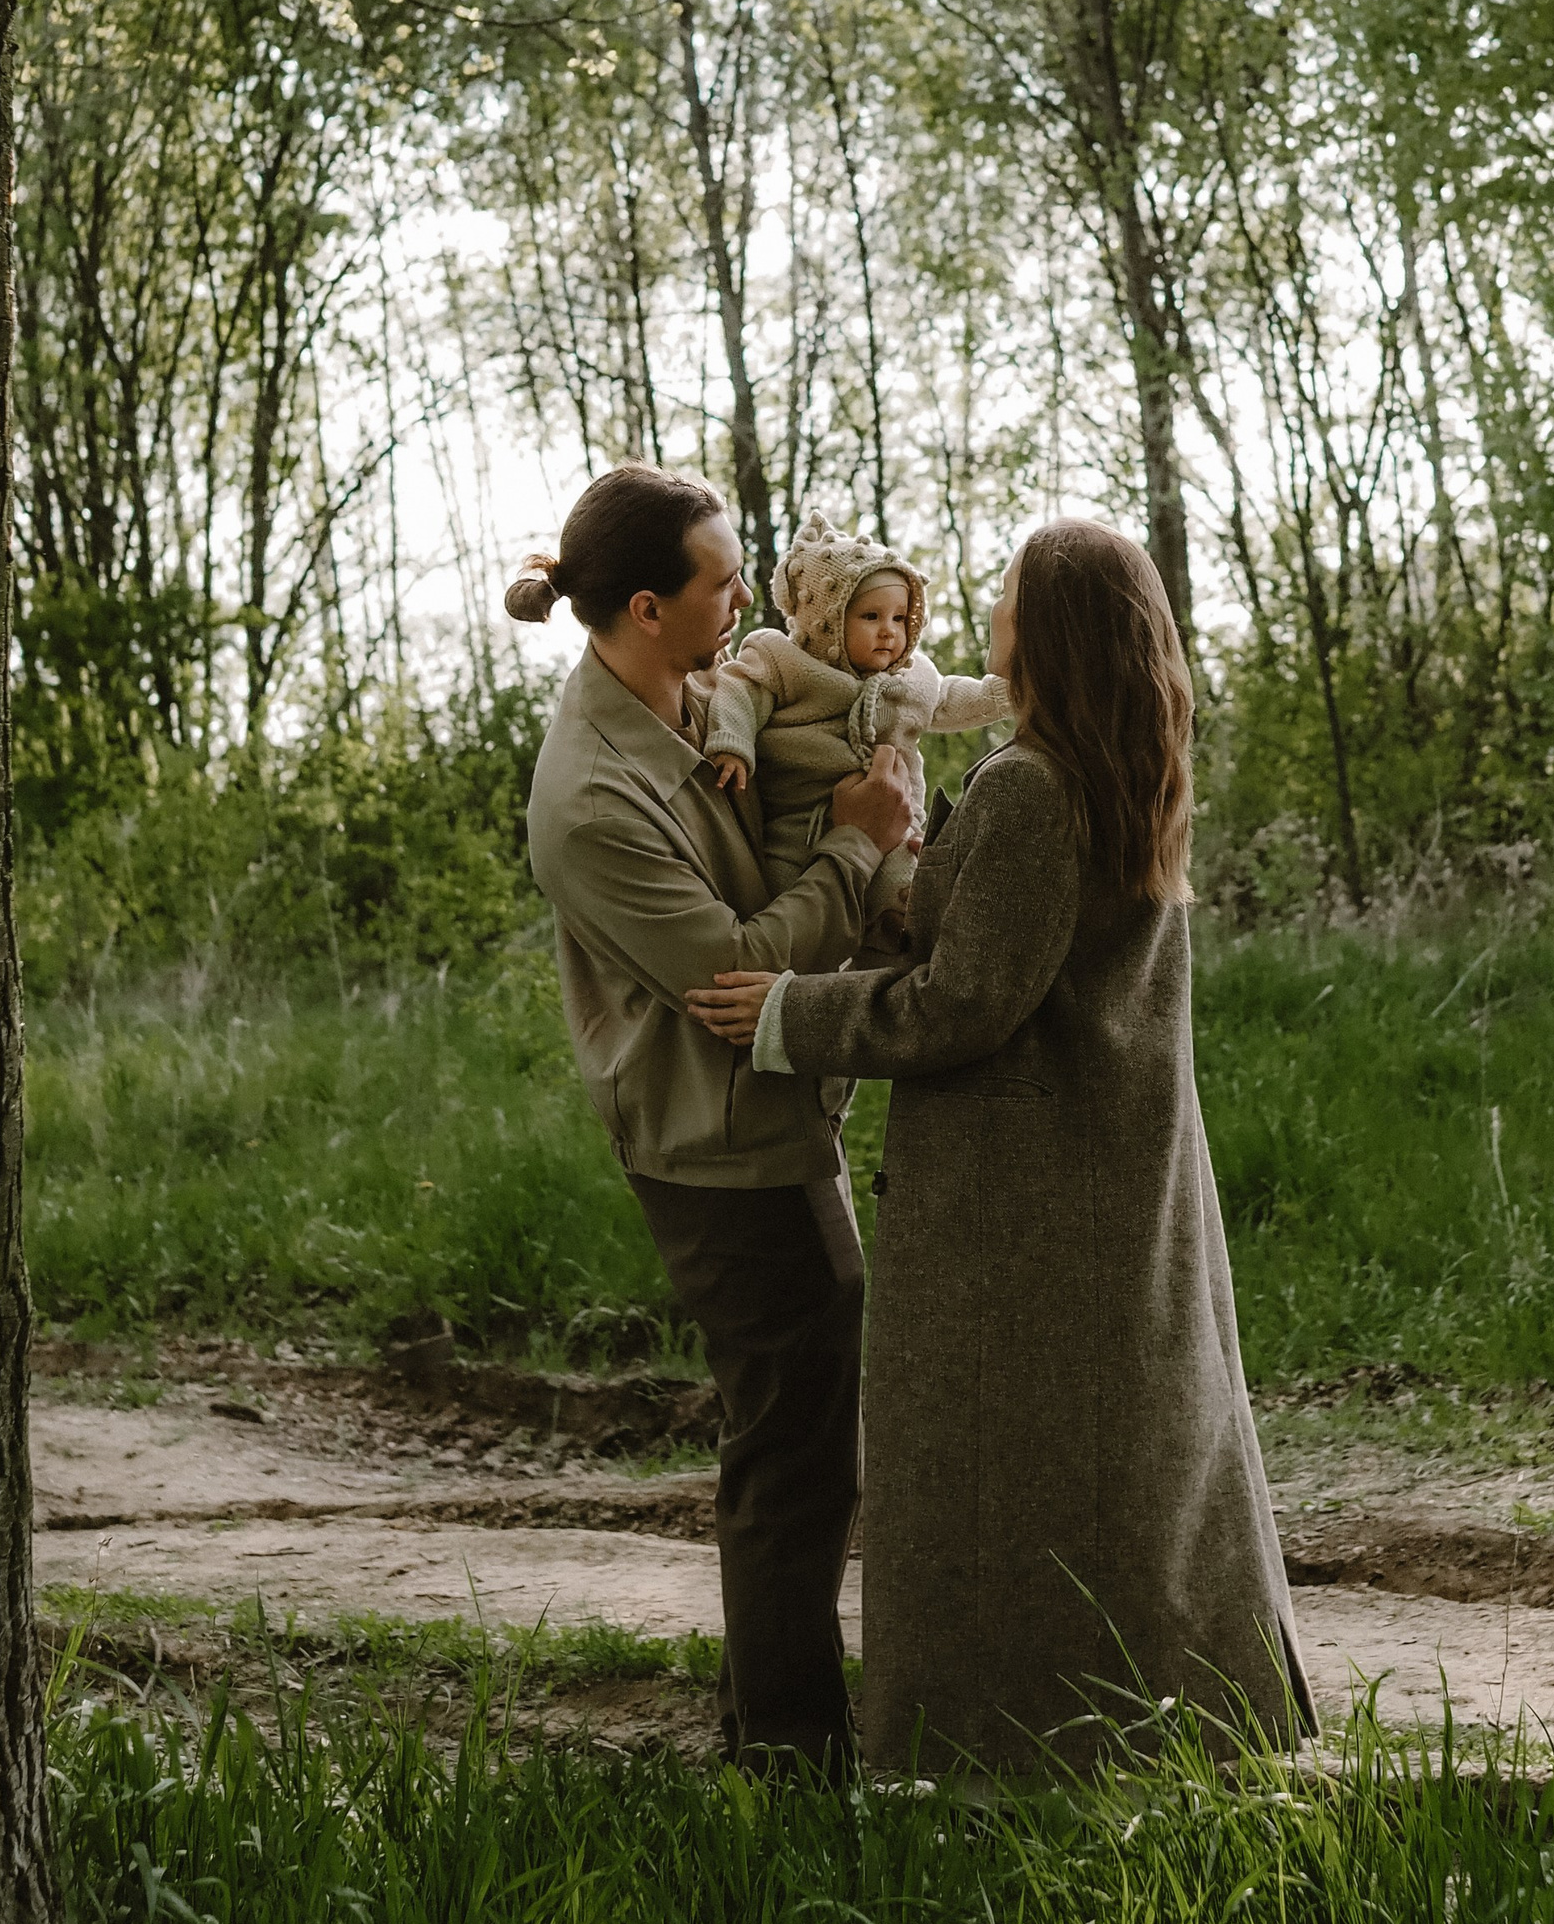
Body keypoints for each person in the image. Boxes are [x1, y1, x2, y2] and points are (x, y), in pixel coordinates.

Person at [688, 516, 1313, 1779]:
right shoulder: (1108, 764)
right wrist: (892, 861)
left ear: (1048, 628)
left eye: (1011, 594)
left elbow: (966, 1001)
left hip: (1021, 1203)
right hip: (1096, 1176)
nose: (987, 614)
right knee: (1110, 1462)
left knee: (1003, 1475)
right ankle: (1165, 1716)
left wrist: (787, 1016)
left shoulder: (1030, 783)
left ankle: (997, 1749)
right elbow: (1007, 939)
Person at [507, 464, 914, 1776]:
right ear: (643, 606)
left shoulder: (700, 693)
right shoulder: (589, 798)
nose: (747, 596)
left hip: (776, 1123)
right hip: (720, 1155)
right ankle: (791, 1763)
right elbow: (737, 978)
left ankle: (768, 1732)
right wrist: (859, 848)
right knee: (795, 1457)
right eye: (724, 580)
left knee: (799, 1436)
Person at [703, 509, 1011, 909]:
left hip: (893, 827)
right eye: (871, 616)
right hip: (800, 826)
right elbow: (741, 689)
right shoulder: (784, 661)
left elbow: (948, 699)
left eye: (900, 618)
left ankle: (890, 941)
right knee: (782, 891)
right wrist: (731, 743)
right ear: (827, 620)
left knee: (906, 891)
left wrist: (1004, 694)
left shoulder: (913, 680)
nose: (889, 630)